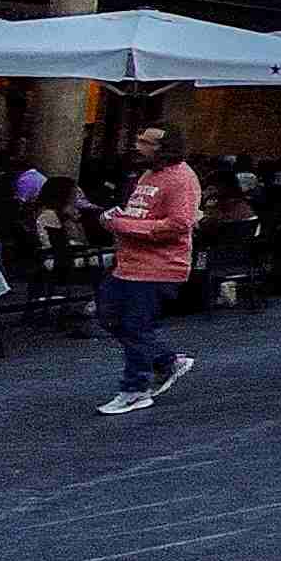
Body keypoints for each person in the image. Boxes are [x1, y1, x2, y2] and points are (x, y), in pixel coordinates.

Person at [94, 126, 199, 413]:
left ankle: (135, 389)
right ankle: (166, 360)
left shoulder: (182, 179)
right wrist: (118, 217)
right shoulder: (149, 174)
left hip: (158, 266)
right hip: (130, 263)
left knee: (135, 326)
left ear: (163, 149)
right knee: (109, 316)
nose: (137, 145)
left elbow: (179, 224)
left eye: (145, 142)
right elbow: (143, 213)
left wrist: (124, 225)